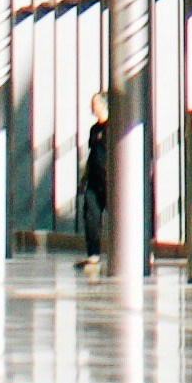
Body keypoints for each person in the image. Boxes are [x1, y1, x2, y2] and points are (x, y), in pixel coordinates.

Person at [76, 108, 108, 266]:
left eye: (94, 104)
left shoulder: (113, 127)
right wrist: (84, 177)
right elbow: (92, 154)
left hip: (109, 181)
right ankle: (93, 253)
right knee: (91, 216)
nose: (91, 108)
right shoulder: (94, 129)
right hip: (94, 180)